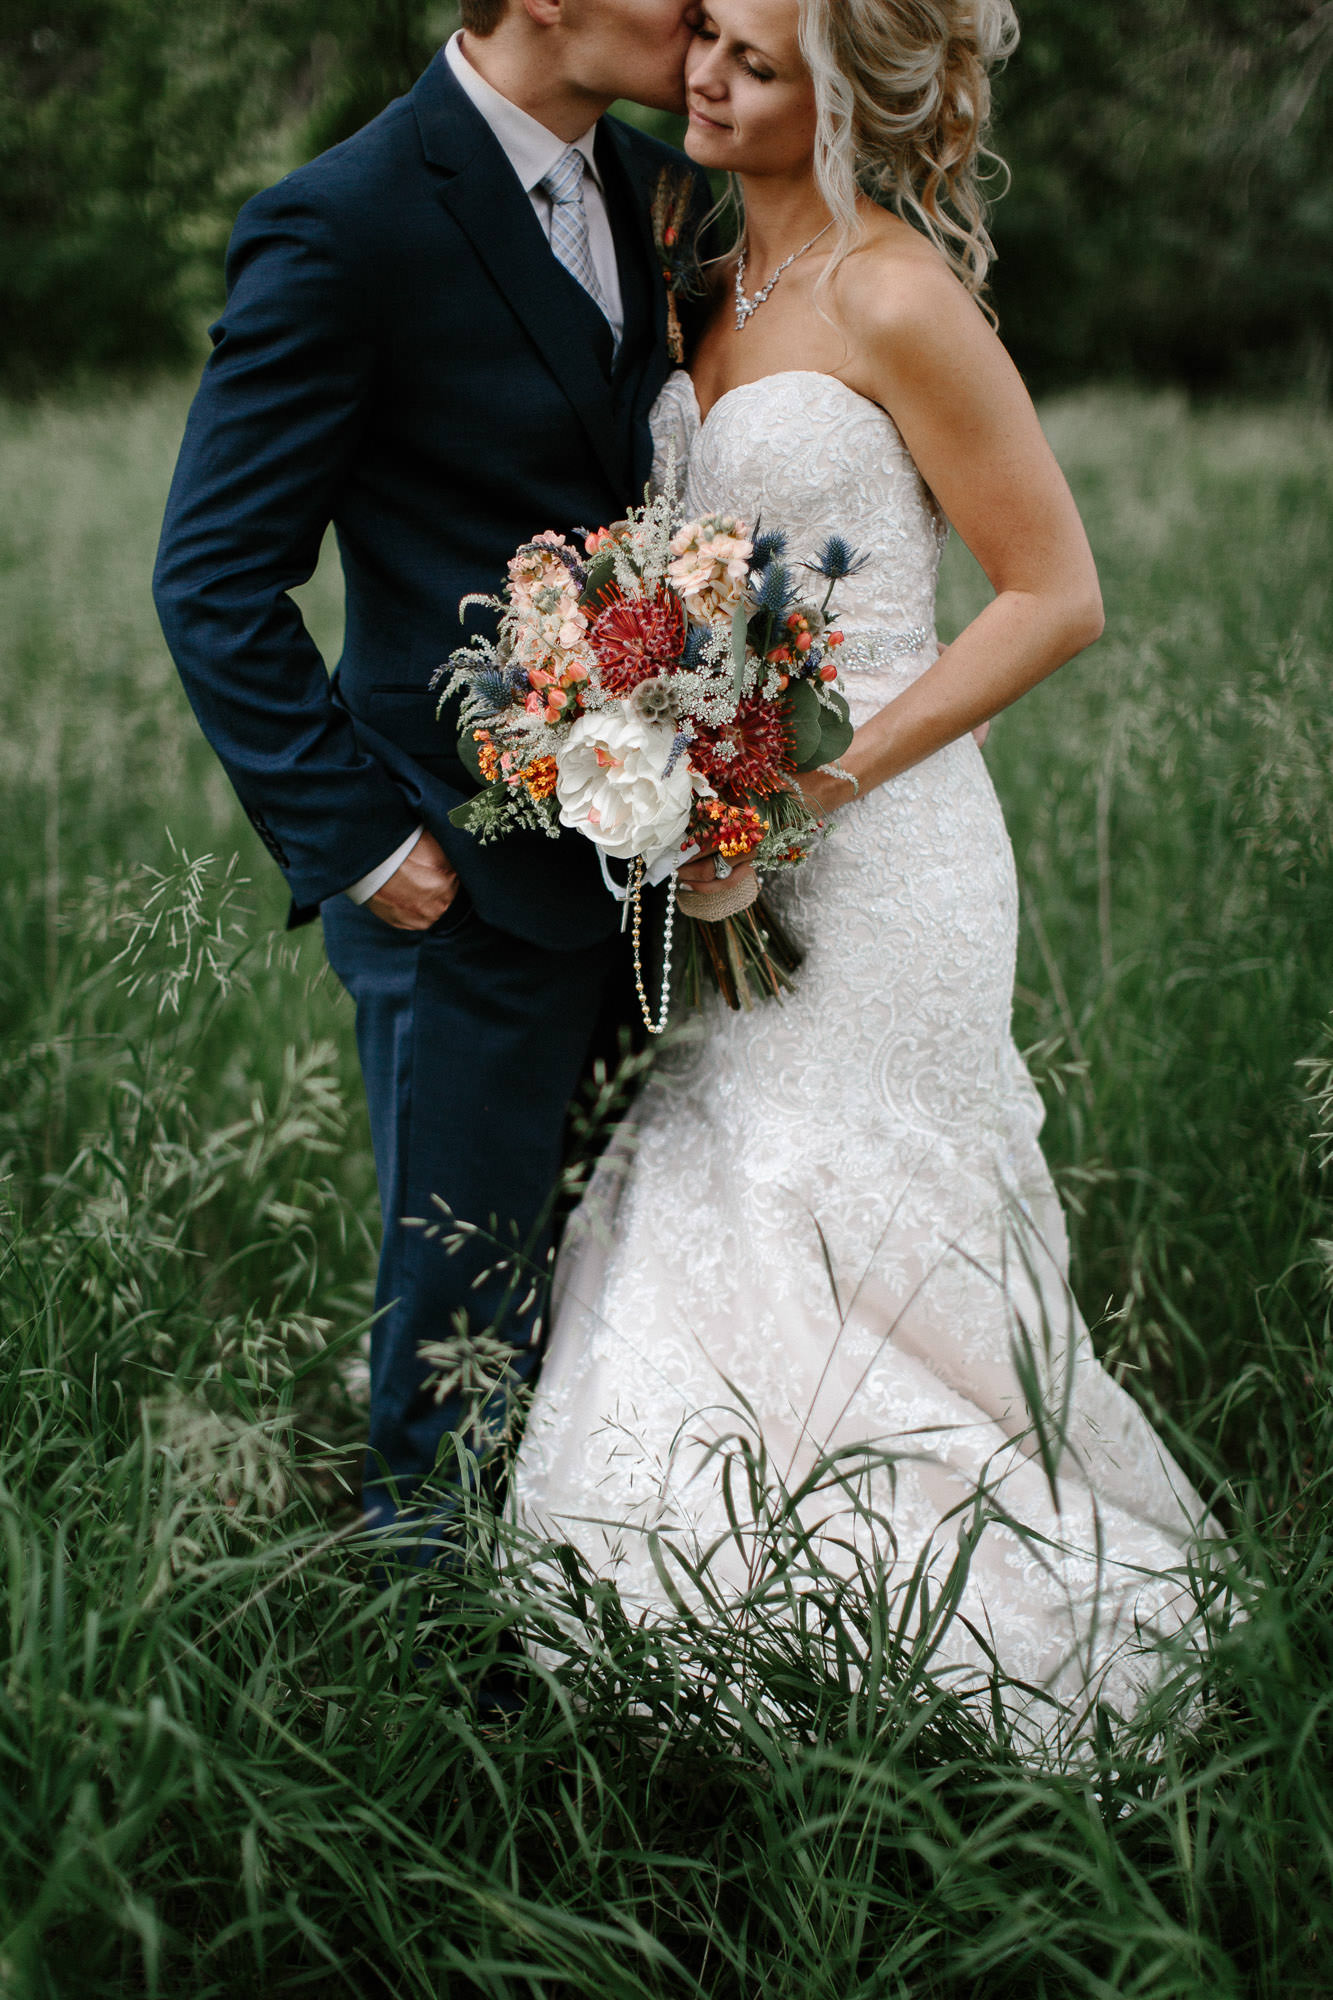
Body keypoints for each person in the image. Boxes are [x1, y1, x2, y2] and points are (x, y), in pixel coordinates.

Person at [509, 0, 1215, 1720]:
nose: (699, 80)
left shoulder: (898, 296)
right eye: (703, 46)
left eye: (748, 61)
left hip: (886, 851)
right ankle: (700, 1614)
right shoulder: (689, 274)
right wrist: (660, 749)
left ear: (844, 91)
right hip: (724, 831)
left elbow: (1057, 595)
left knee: (854, 1211)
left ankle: (1003, 1638)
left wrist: (813, 791)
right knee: (718, 1186)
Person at [152, 0, 735, 1552]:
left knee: (608, 1295)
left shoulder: (649, 185)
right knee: (461, 1314)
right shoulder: (341, 225)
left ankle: (583, 1621)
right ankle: (422, 1664)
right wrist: (367, 847)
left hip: (647, 869)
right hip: (455, 891)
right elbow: (212, 579)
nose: (695, 7)